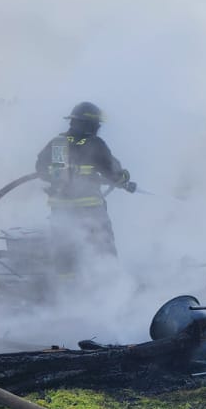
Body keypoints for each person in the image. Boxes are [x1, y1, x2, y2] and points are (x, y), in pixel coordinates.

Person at [35, 102, 136, 278]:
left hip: (60, 210)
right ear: (90, 124)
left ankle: (68, 290)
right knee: (102, 249)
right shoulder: (94, 144)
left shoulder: (57, 143)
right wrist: (125, 179)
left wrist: (58, 176)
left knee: (65, 251)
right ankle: (108, 287)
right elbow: (114, 173)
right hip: (90, 210)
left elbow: (40, 168)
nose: (98, 128)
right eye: (96, 124)